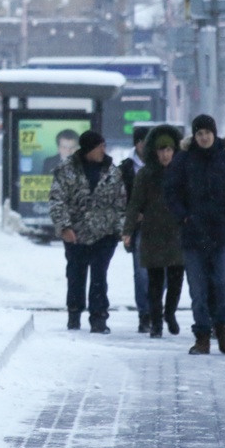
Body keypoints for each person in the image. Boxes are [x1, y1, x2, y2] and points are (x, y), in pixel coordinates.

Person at [163, 114, 225, 355]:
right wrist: (183, 216)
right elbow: (171, 190)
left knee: (224, 283)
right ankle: (202, 334)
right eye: (199, 133)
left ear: (214, 133)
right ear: (195, 135)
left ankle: (222, 327)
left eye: (207, 133)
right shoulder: (184, 159)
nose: (204, 137)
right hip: (193, 234)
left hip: (222, 233)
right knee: (198, 288)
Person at [48, 130, 127, 333]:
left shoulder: (112, 172)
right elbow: (57, 200)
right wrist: (65, 227)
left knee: (99, 275)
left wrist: (120, 230)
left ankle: (99, 318)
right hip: (76, 234)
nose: (104, 150)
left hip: (104, 234)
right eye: (100, 146)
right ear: (89, 149)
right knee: (76, 274)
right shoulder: (67, 170)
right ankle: (74, 313)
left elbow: (121, 203)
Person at [122, 125, 184, 339]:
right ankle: (155, 322)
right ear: (154, 151)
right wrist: (128, 230)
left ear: (175, 150)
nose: (165, 155)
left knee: (176, 280)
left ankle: (170, 313)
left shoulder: (183, 173)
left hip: (178, 234)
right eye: (161, 150)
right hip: (152, 233)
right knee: (155, 282)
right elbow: (135, 203)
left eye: (169, 150)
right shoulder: (146, 174)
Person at [119, 125, 151, 333]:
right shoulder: (126, 168)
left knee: (165, 273)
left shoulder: (165, 164)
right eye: (144, 142)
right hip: (139, 227)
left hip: (164, 227)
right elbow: (120, 197)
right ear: (137, 144)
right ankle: (145, 313)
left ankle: (154, 306)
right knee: (141, 272)